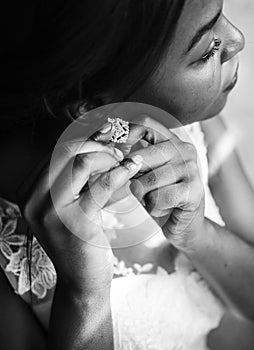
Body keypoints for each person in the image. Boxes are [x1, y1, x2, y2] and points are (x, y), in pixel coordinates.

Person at [0, 0, 254, 349]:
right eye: (206, 49)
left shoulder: (194, 128)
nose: (237, 38)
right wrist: (84, 294)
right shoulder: (11, 252)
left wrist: (198, 235)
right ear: (92, 106)